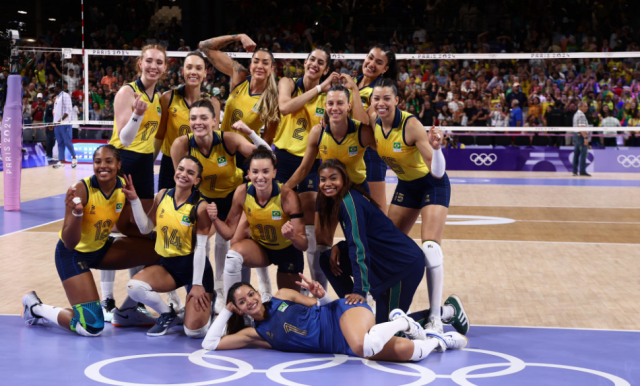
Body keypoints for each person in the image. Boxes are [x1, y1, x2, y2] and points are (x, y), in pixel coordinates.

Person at [21, 145, 160, 336]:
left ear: (118, 164)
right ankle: (35, 308)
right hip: (72, 254)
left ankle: (128, 309)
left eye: (108, 161)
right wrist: (78, 215)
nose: (103, 166)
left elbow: (125, 227)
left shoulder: (123, 187)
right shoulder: (80, 189)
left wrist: (154, 236)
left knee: (161, 249)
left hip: (101, 249)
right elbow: (70, 243)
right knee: (92, 327)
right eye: (98, 161)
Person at [201, 276, 468, 360]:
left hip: (343, 314)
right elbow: (209, 345)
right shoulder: (255, 334)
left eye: (250, 294)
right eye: (242, 302)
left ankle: (403, 322)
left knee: (364, 346)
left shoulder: (282, 294)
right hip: (341, 346)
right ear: (239, 308)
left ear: (258, 291)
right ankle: (439, 341)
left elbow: (323, 305)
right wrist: (226, 310)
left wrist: (321, 294)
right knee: (410, 353)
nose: (250, 301)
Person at [170, 99, 273, 313]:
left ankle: (264, 289)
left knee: (239, 242)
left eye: (204, 118)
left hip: (234, 196)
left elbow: (267, 157)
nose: (198, 122)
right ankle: (210, 291)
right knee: (200, 241)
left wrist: (250, 132)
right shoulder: (181, 144)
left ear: (215, 121)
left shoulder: (229, 139)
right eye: (193, 118)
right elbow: (182, 182)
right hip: (204, 198)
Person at [367, 79, 453, 332]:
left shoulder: (411, 125)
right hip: (406, 186)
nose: (381, 103)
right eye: (376, 98)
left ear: (397, 101)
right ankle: (377, 298)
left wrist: (437, 150)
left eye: (386, 99)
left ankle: (436, 317)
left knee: (430, 248)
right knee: (382, 243)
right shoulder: (373, 120)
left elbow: (437, 173)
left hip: (432, 185)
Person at [104, 44, 168, 321]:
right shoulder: (127, 92)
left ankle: (133, 303)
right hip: (122, 160)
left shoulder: (161, 98)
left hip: (144, 165)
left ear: (165, 68)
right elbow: (126, 138)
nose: (154, 66)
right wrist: (137, 114)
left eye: (160, 62)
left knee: (140, 232)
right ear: (140, 63)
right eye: (149, 61)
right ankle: (107, 299)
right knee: (115, 229)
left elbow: (152, 140)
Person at [123, 156, 216, 337]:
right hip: (169, 267)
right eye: (180, 169)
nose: (183, 174)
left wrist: (197, 284)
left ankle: (209, 302)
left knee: (194, 332)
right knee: (134, 287)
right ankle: (168, 314)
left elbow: (200, 248)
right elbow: (145, 228)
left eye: (190, 172)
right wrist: (134, 200)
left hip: (195, 268)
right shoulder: (163, 194)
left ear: (197, 181)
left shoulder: (201, 206)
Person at [284, 84, 373, 267]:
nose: (335, 107)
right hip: (328, 193)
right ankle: (321, 296)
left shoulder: (362, 132)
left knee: (361, 245)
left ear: (349, 106)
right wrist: (283, 189)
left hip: (357, 192)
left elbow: (387, 150)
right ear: (325, 106)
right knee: (322, 246)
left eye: (340, 103)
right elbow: (303, 169)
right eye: (330, 103)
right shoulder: (318, 132)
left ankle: (366, 292)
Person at [272, 46, 338, 292]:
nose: (315, 64)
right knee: (283, 221)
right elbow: (285, 108)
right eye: (312, 59)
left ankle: (318, 292)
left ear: (326, 69)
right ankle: (283, 286)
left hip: (312, 163)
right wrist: (320, 88)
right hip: (285, 160)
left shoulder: (329, 95)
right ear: (305, 61)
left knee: (310, 224)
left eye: (321, 62)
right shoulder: (288, 82)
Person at [206, 146, 308, 301]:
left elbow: (304, 245)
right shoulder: (242, 192)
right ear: (248, 174)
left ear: (274, 173)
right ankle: (233, 311)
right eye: (255, 172)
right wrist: (215, 219)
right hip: (262, 249)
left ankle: (299, 292)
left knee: (287, 304)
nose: (260, 177)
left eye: (265, 171)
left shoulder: (288, 196)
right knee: (233, 255)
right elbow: (227, 233)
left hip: (288, 252)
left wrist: (292, 236)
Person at [198, 34, 280, 173]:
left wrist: (254, 166)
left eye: (265, 63)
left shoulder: (272, 100)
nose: (260, 66)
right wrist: (239, 37)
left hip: (244, 158)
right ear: (251, 64)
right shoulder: (240, 77)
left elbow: (266, 140)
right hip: (220, 148)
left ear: (272, 69)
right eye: (256, 61)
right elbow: (204, 46)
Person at [155, 51, 219, 192]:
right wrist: (149, 164)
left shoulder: (213, 102)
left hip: (199, 164)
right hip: (169, 164)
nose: (193, 72)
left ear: (205, 72)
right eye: (189, 67)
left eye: (198, 68)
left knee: (195, 210)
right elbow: (159, 135)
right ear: (183, 71)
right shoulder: (168, 98)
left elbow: (214, 140)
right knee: (165, 208)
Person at [355, 46, 399, 215]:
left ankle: (380, 241)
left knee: (376, 211)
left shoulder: (382, 90)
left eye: (379, 62)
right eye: (370, 57)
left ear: (385, 69)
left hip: (370, 154)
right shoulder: (354, 82)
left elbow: (364, 121)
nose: (371, 63)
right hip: (347, 151)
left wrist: (351, 90)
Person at [52, 83, 77, 169]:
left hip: (65, 123)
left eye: (55, 87)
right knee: (60, 143)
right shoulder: (57, 98)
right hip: (57, 124)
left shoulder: (65, 96)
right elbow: (56, 112)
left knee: (67, 141)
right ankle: (61, 161)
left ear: (58, 87)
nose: (53, 89)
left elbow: (69, 109)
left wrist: (61, 120)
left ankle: (74, 158)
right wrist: (54, 122)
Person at [572, 101, 590, 176]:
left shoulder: (576, 114)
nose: (587, 108)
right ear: (580, 107)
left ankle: (574, 171)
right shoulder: (581, 115)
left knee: (576, 154)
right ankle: (582, 171)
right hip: (581, 136)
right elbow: (582, 127)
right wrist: (585, 138)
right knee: (583, 154)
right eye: (585, 106)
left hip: (576, 135)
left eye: (587, 106)